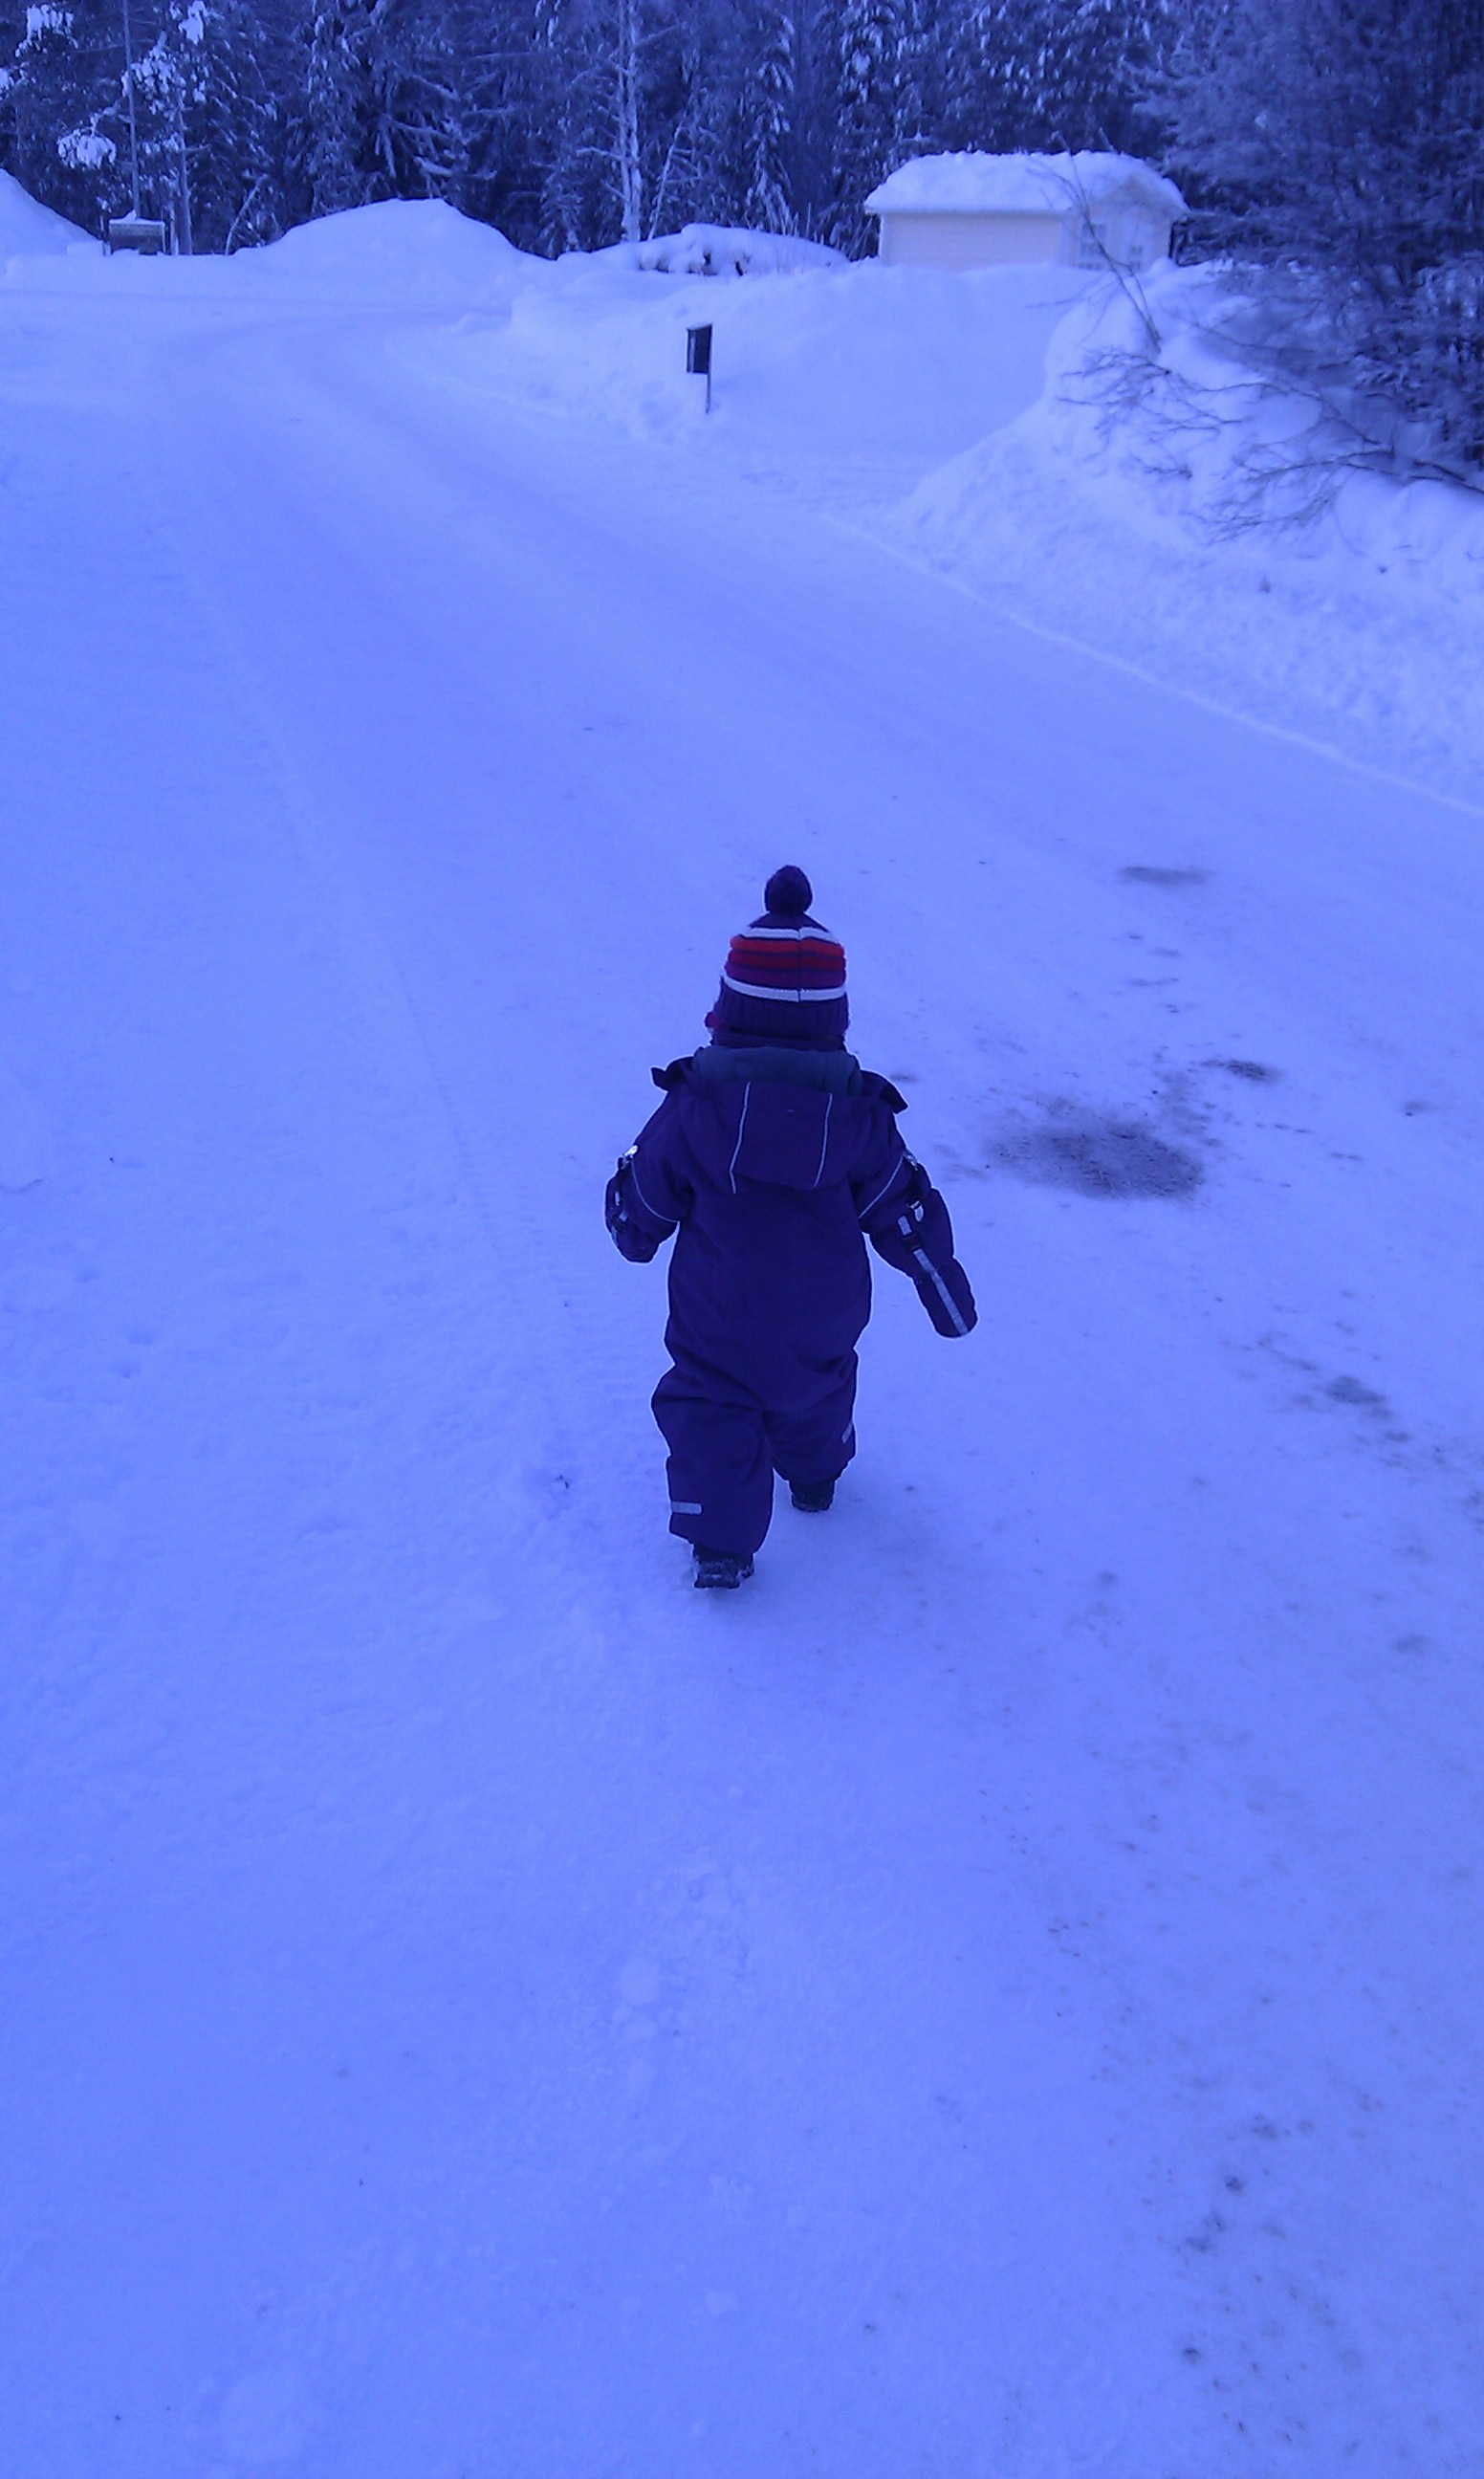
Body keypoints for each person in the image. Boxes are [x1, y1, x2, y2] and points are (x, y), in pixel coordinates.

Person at [605, 867, 976, 1589]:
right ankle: (815, 1476)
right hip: (821, 1317)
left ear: (727, 1012)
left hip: (719, 1318)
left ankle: (721, 1544)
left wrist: (630, 1228)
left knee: (710, 1407)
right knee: (818, 1389)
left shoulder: (696, 1109)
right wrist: (944, 1288)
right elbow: (905, 1207)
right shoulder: (860, 1118)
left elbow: (647, 1190)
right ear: (834, 1023)